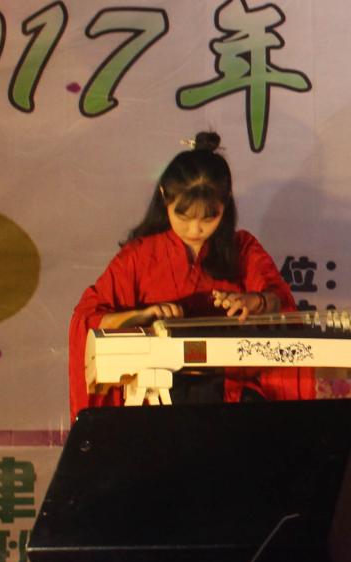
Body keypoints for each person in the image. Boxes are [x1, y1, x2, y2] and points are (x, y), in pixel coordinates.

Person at [68, 132, 313, 418]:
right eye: (183, 217)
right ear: (165, 197)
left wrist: (255, 302)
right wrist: (143, 315)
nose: (195, 229)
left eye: (209, 218)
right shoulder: (139, 256)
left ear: (225, 204)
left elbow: (281, 303)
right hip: (156, 397)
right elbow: (88, 319)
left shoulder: (243, 249)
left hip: (231, 397)